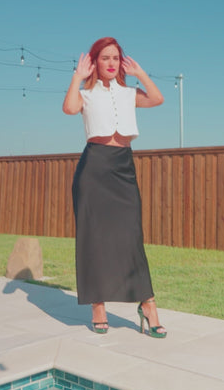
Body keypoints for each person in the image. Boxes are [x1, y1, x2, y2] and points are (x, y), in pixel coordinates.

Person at [62, 36, 167, 338]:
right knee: (94, 238)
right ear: (95, 61)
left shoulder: (129, 92)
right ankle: (98, 305)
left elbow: (157, 99)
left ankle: (147, 304)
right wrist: (76, 78)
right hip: (94, 168)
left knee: (132, 237)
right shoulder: (86, 93)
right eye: (105, 57)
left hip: (123, 167)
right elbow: (69, 109)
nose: (110, 63)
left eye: (115, 58)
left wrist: (141, 73)